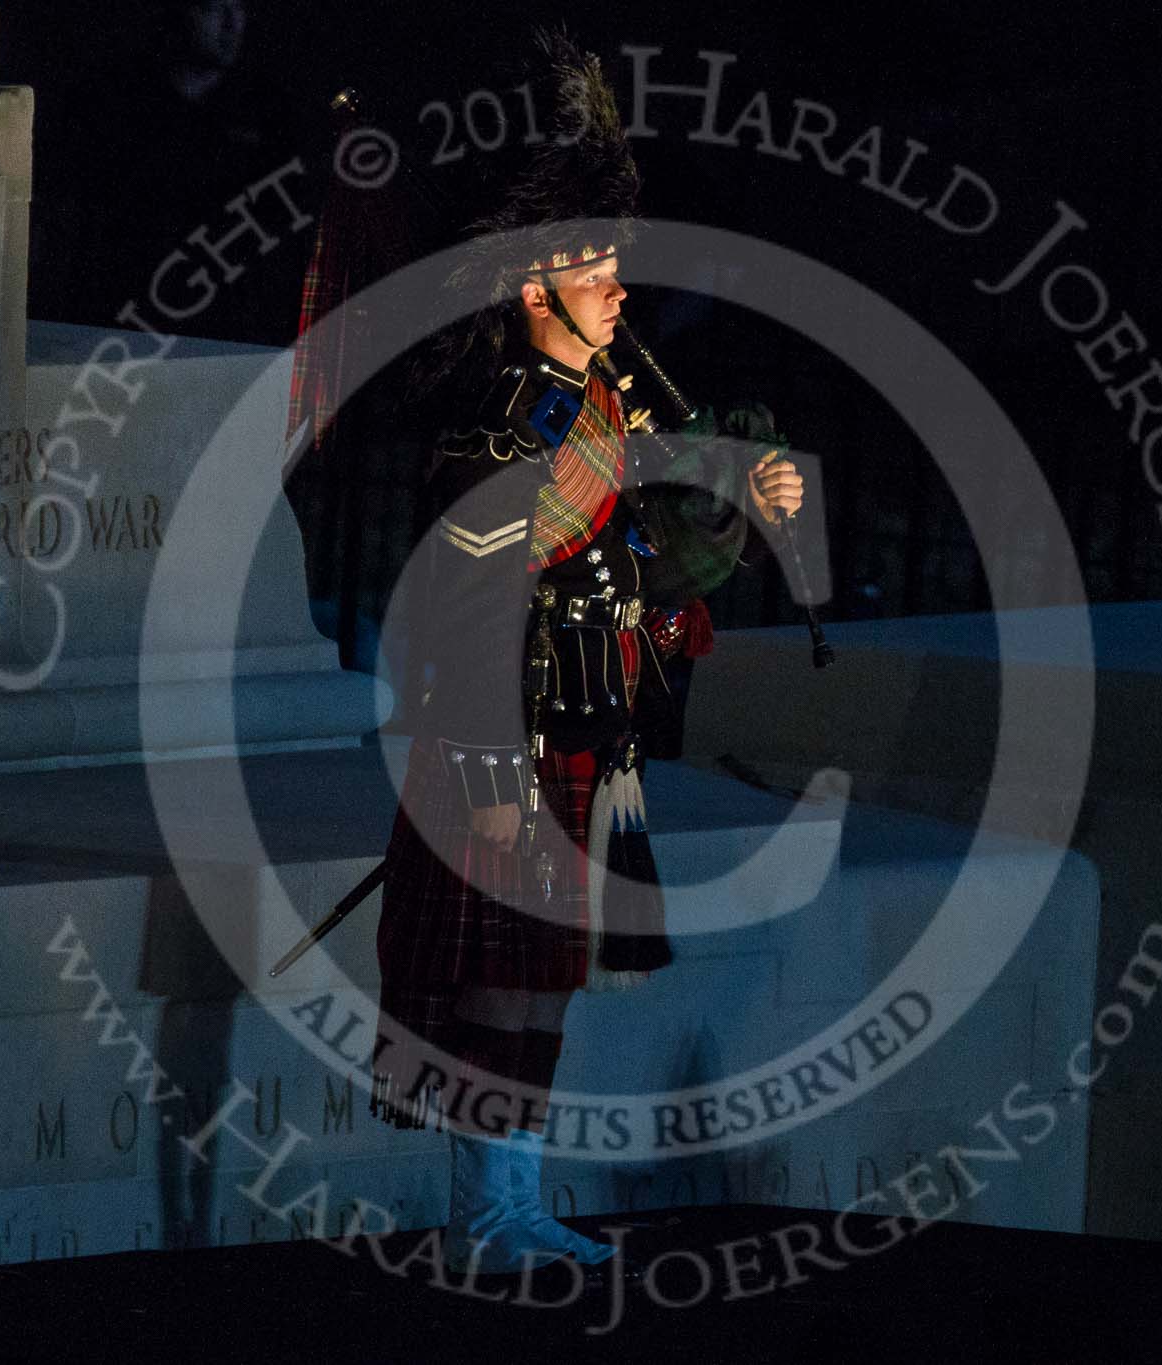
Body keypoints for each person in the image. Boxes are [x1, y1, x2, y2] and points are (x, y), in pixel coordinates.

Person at [355, 35, 803, 1280]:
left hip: (583, 732)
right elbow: (468, 610)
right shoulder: (504, 426)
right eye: (590, 266)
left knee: (541, 988)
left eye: (613, 260)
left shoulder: (610, 401)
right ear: (528, 288)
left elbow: (647, 531)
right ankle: (486, 1215)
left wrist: (738, 492)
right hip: (507, 741)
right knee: (501, 991)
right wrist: (494, 786)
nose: (616, 284)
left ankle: (508, 1207)